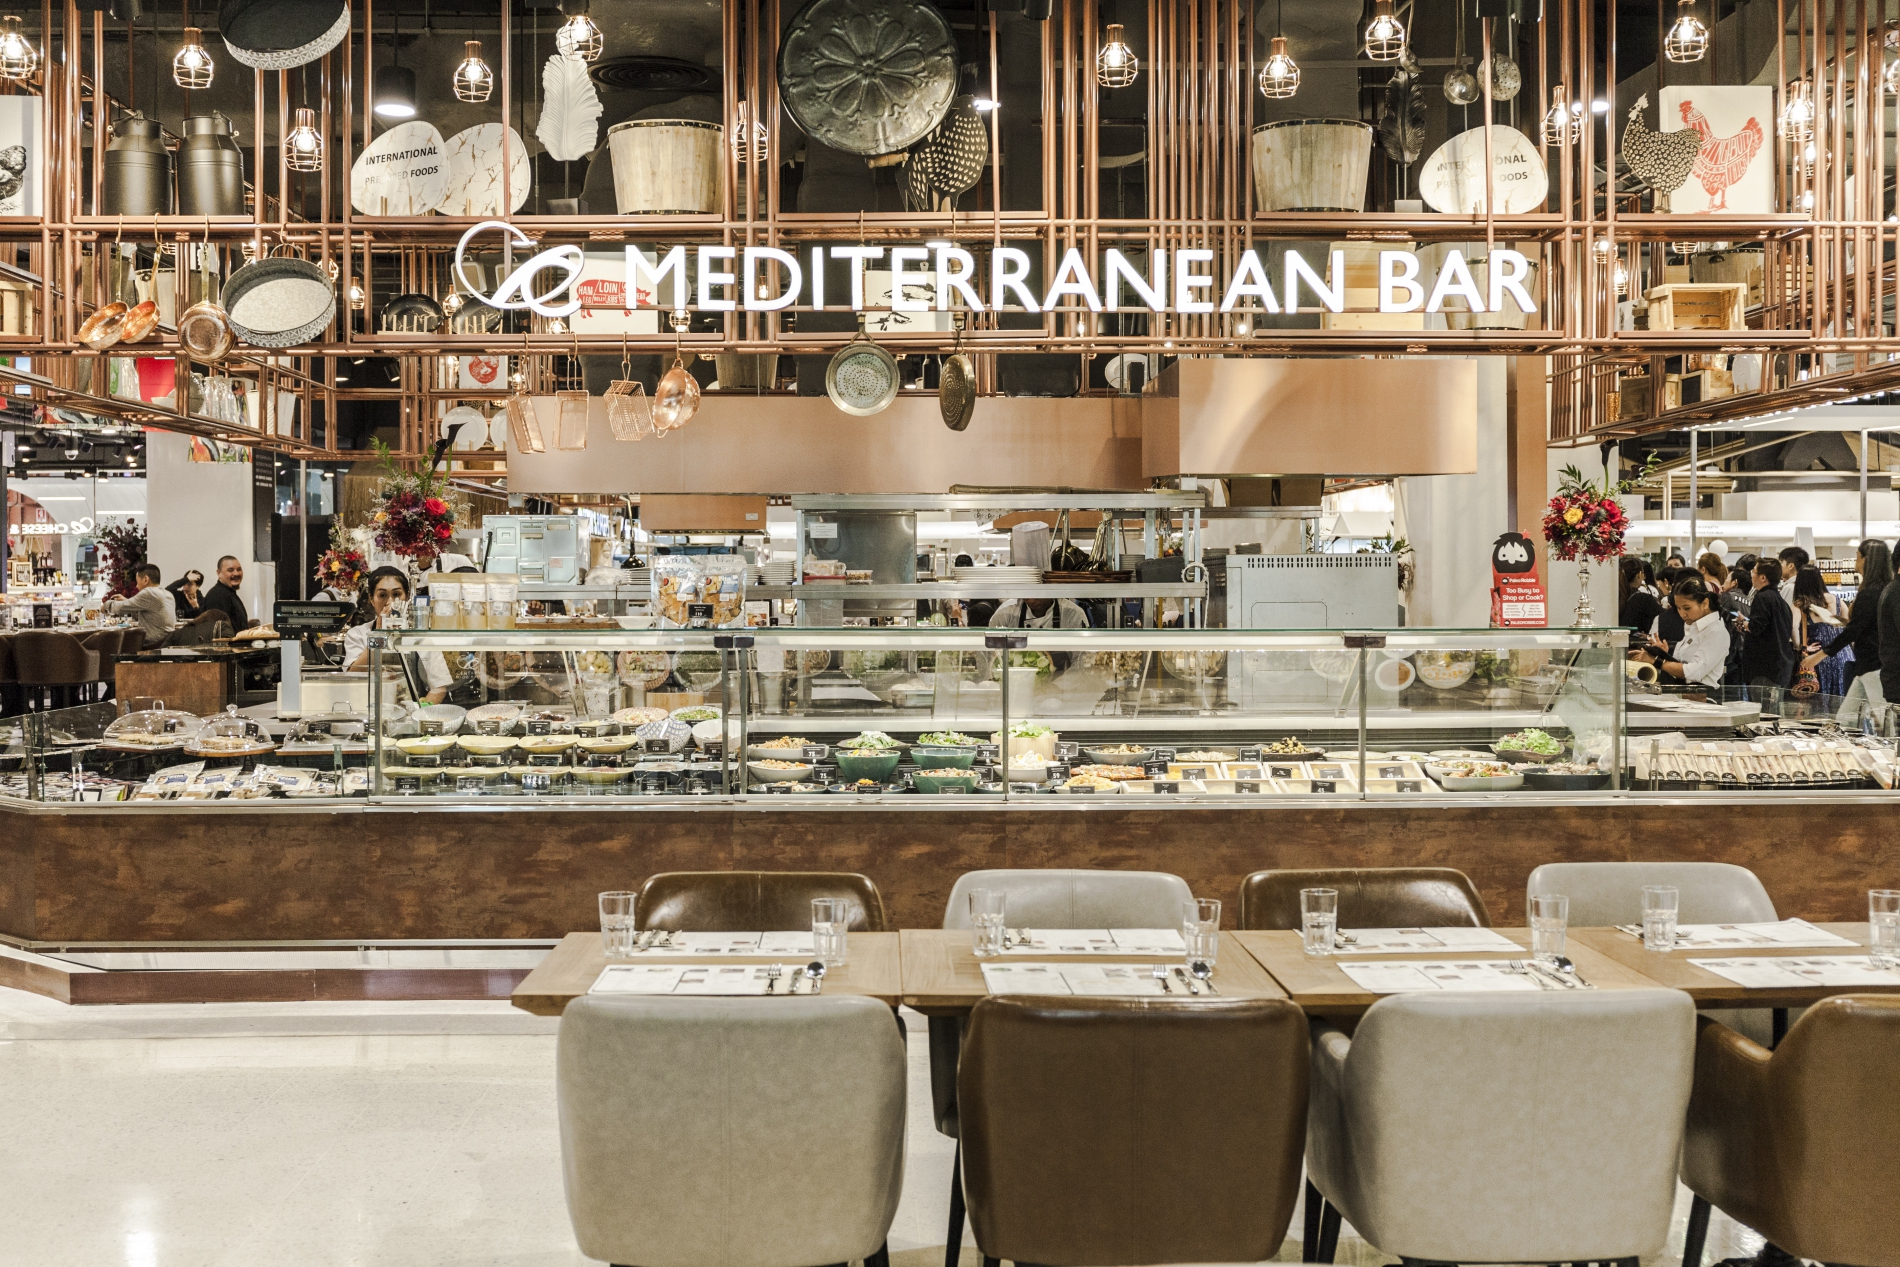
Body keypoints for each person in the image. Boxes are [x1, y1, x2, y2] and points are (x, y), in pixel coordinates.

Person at [342, 566, 452, 704]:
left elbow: (439, 686)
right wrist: (379, 634)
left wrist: (420, 712)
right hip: (368, 707)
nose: (390, 602)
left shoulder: (421, 636)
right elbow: (352, 675)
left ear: (407, 597)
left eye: (396, 594)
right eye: (382, 595)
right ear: (371, 599)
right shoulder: (358, 634)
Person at [1631, 576, 1729, 689]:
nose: (1682, 614)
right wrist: (1663, 654)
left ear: (1705, 603)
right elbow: (1682, 665)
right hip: (1682, 694)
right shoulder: (1694, 626)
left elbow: (1693, 672)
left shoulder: (1716, 632)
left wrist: (1657, 661)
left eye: (1687, 608)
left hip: (1701, 696)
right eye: (1678, 608)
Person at [1836, 539, 1892, 724]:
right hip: (1868, 666)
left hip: (1873, 665)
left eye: (1857, 556)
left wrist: (1822, 653)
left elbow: (1856, 630)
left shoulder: (1870, 593)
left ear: (1866, 559)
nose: (1856, 561)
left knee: (1886, 721)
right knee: (1847, 718)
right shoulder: (1884, 590)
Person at [1738, 556, 1796, 691]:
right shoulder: (1781, 601)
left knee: (1762, 703)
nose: (1751, 575)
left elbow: (1756, 627)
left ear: (1763, 577)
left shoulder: (1762, 597)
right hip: (1780, 666)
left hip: (1764, 667)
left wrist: (1744, 622)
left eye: (1753, 571)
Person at [1791, 565, 1848, 697]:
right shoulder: (1837, 600)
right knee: (1841, 697)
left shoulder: (1800, 604)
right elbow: (1848, 624)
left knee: (1820, 700)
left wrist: (1800, 647)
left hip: (1817, 658)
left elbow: (1793, 627)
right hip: (1843, 655)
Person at [106, 564, 178, 642]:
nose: (137, 586)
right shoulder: (168, 594)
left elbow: (121, 608)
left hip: (152, 644)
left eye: (137, 582)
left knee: (114, 642)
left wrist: (106, 605)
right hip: (167, 642)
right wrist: (126, 600)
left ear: (145, 579)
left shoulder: (149, 592)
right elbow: (149, 611)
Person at [200, 555, 255, 630]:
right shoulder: (218, 595)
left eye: (239, 569)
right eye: (230, 570)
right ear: (218, 573)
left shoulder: (229, 593)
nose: (236, 574)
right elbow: (219, 632)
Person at [986, 595, 1091, 629]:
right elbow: (991, 655)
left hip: (1063, 673)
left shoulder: (1072, 613)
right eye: (1026, 595)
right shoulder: (1005, 614)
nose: (1031, 601)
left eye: (1037, 594)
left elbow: (1082, 658)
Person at [1618, 556, 1665, 633]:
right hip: (1637, 639)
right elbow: (1664, 619)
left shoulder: (1615, 596)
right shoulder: (1644, 599)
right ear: (1639, 575)